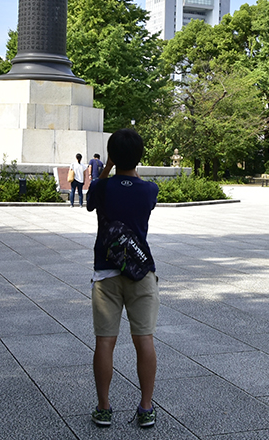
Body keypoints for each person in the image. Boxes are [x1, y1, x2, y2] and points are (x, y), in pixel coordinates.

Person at [86, 128, 160, 428]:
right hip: (141, 273)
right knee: (144, 340)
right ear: (140, 156)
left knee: (105, 342)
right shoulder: (149, 190)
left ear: (113, 156)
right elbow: (139, 191)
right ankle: (145, 408)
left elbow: (90, 200)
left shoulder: (103, 188)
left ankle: (104, 407)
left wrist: (107, 166)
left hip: (106, 273)